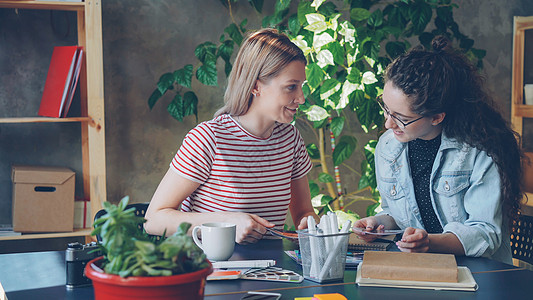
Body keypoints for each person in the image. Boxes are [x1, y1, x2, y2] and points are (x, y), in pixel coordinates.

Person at [353, 36, 524, 264]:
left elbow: (486, 234)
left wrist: (430, 242)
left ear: (436, 117)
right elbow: (400, 214)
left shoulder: (478, 151)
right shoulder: (388, 146)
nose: (388, 124)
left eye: (400, 118)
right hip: (422, 273)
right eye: (386, 109)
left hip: (481, 276)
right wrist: (378, 224)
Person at [144, 28, 319, 244]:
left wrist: (310, 222)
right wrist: (226, 223)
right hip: (213, 272)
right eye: (291, 87)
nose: (301, 98)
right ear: (256, 86)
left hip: (273, 272)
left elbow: (303, 213)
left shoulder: (290, 139)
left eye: (301, 86)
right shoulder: (208, 138)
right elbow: (153, 219)